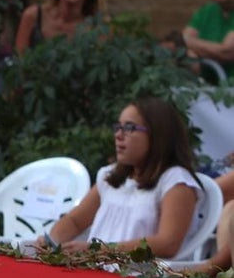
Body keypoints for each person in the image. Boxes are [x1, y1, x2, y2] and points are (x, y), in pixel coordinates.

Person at [33, 97, 202, 259]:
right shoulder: (110, 176)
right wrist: (52, 241)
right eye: (118, 127)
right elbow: (75, 221)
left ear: (158, 135)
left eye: (129, 128)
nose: (118, 135)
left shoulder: (176, 181)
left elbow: (167, 244)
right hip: (96, 271)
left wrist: (100, 251)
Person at [182, 0, 234, 80]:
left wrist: (193, 46)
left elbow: (227, 52)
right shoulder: (206, 11)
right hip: (206, 88)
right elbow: (182, 43)